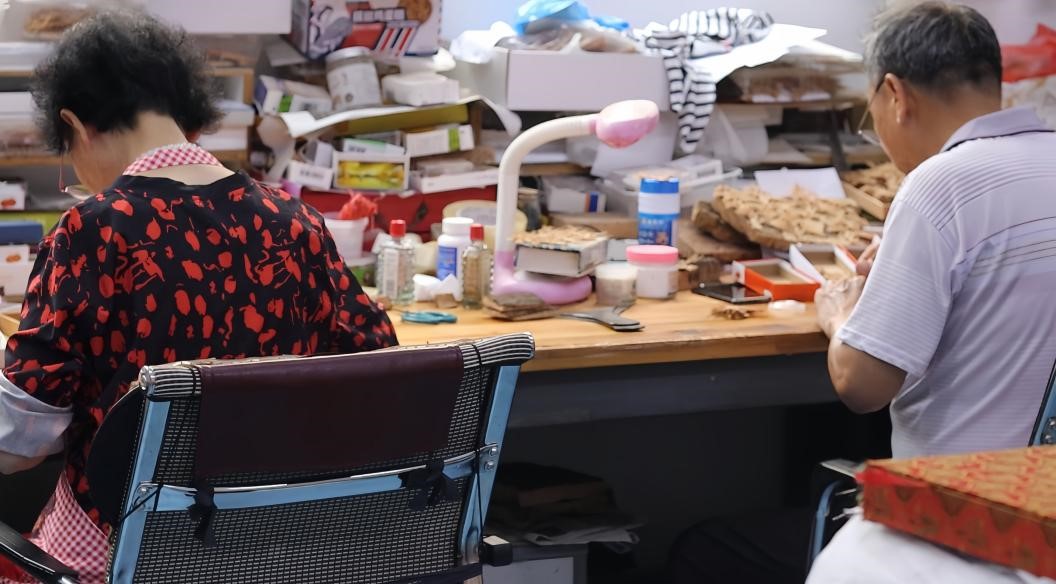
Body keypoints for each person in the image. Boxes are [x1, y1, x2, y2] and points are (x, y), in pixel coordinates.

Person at [0, 11, 396, 582]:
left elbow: (17, 448)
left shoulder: (93, 231)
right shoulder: (298, 222)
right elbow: (381, 369)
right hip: (272, 553)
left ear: (76, 125)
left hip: (124, 558)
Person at [810, 2, 1056, 582]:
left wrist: (842, 314)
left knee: (705, 548)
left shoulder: (939, 184)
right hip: (1043, 515)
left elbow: (861, 385)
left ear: (894, 94)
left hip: (962, 530)